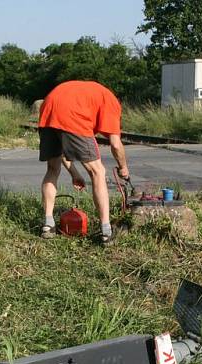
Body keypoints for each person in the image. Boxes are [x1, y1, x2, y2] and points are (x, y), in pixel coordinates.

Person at [38, 80, 130, 245]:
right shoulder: (111, 103)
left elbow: (64, 147)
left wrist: (74, 173)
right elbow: (116, 144)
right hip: (72, 114)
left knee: (52, 169)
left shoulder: (91, 93)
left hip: (48, 108)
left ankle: (48, 224)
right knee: (98, 172)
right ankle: (106, 231)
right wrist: (123, 168)